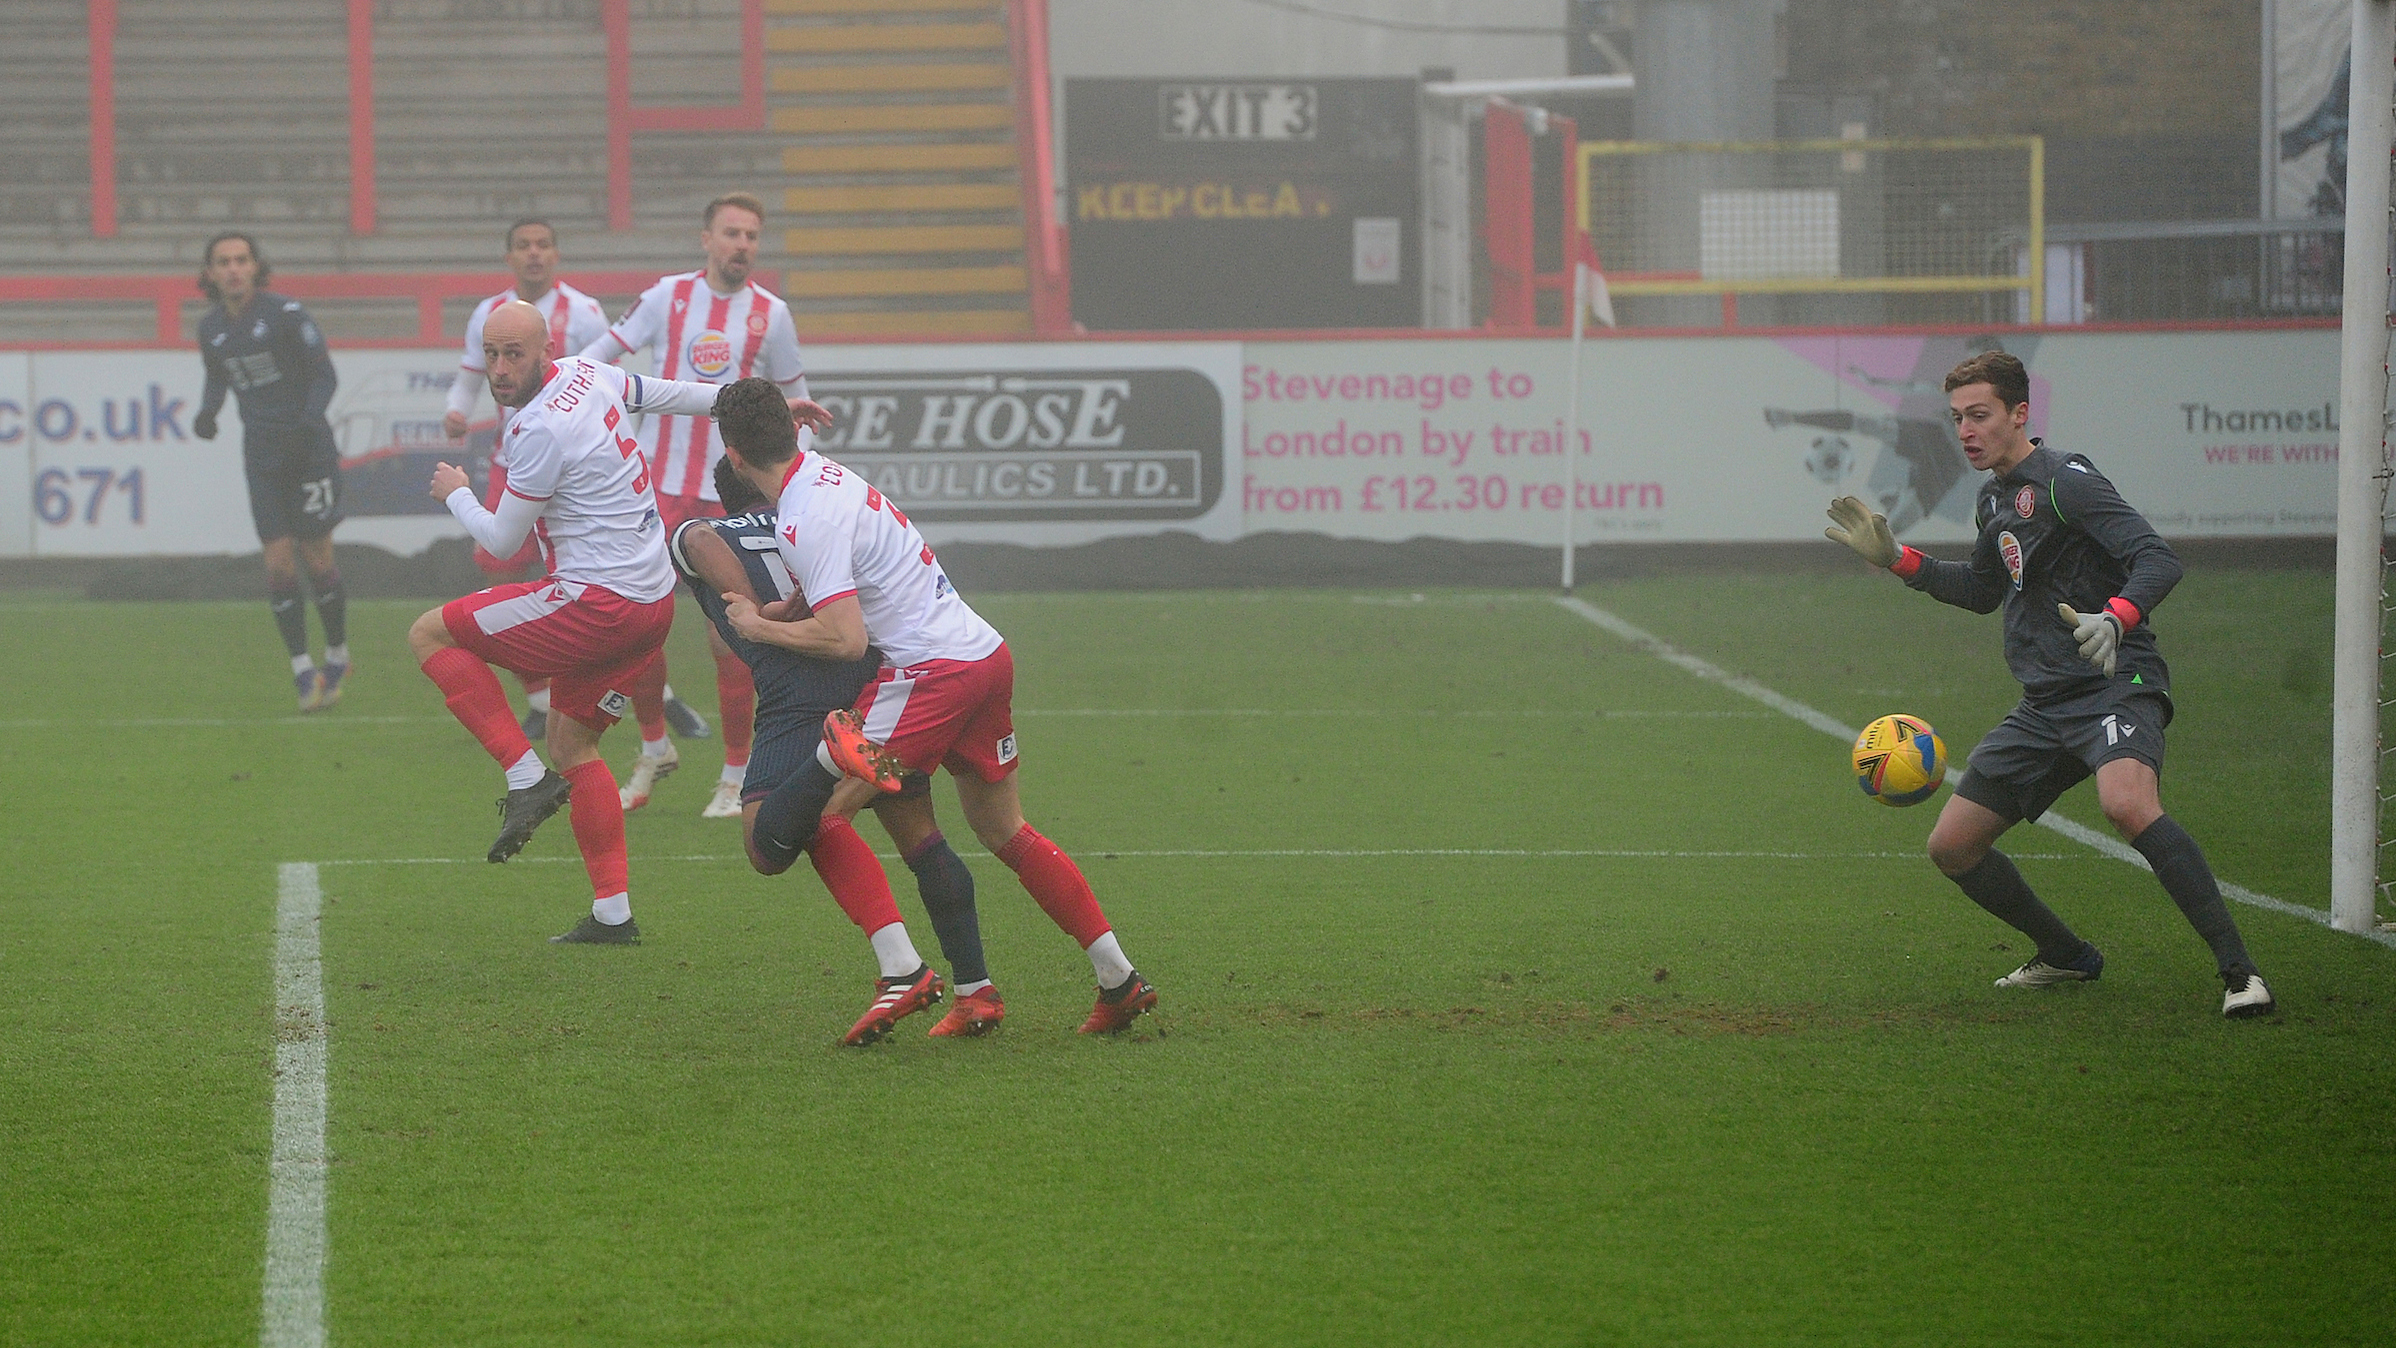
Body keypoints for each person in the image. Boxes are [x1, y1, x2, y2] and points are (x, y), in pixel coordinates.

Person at [1824, 349, 2274, 1018]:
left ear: (2020, 413)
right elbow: (1980, 590)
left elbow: (2156, 557)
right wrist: (1898, 560)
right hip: (2044, 705)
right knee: (1952, 846)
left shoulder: (2068, 480)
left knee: (2126, 803)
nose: (1967, 431)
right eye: (1957, 420)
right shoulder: (1994, 499)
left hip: (2114, 682)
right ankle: (2066, 954)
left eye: (1980, 415)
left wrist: (2117, 618)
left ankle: (2242, 975)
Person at [709, 376, 1160, 1040]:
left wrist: (756, 628)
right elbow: (833, 583)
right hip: (984, 657)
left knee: (822, 813)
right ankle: (1116, 978)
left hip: (929, 676)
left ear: (734, 456)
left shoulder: (803, 515)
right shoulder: (827, 477)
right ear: (791, 433)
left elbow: (846, 639)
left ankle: (905, 974)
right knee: (1005, 830)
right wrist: (780, 611)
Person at [404, 301, 821, 945]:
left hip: (596, 605)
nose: (500, 367)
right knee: (576, 746)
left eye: (514, 353)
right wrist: (759, 410)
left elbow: (502, 539)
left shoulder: (537, 430)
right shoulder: (590, 374)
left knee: (428, 633)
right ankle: (612, 914)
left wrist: (455, 490)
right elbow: (679, 394)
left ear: (547, 349)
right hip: (652, 605)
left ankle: (523, 778)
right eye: (491, 353)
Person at [672, 455, 1006, 1037]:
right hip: (870, 681)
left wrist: (753, 606)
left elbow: (696, 537)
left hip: (796, 695)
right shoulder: (809, 520)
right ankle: (975, 989)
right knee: (920, 835)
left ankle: (902, 968)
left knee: (769, 841)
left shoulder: (702, 530)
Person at [578, 191, 805, 820]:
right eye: (731, 233)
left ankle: (736, 773)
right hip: (656, 490)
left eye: (752, 236)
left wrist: (793, 487)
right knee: (635, 628)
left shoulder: (772, 315)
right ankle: (655, 746)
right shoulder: (666, 298)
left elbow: (795, 407)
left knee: (728, 636)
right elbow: (595, 362)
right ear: (705, 239)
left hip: (729, 498)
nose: (742, 246)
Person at [442, 218, 613, 742]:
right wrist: (455, 409)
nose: (534, 254)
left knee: (594, 574)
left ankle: (628, 699)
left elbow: (608, 380)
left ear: (556, 254)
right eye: (524, 246)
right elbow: (472, 372)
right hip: (510, 459)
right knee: (497, 565)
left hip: (578, 464)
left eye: (543, 245)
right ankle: (540, 696)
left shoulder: (584, 313)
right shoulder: (488, 314)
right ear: (509, 257)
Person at [193, 232, 350, 712]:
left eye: (242, 260)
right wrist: (208, 413)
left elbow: (325, 375)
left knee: (317, 558)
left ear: (256, 267)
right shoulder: (211, 328)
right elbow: (218, 374)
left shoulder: (286, 314)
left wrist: (306, 422)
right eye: (224, 261)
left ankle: (338, 653)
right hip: (261, 456)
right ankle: (303, 669)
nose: (234, 269)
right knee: (279, 563)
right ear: (212, 272)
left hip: (308, 452)